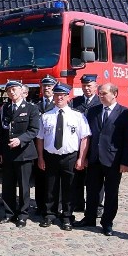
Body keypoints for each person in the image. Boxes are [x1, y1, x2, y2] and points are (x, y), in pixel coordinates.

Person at [74, 83, 128, 236]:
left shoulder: (125, 113)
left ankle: (107, 222)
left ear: (115, 94)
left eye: (104, 93)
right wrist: (85, 157)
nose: (101, 96)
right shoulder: (94, 111)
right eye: (100, 93)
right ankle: (89, 218)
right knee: (92, 190)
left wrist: (126, 162)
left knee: (111, 193)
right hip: (95, 159)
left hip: (113, 160)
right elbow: (88, 135)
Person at [36, 82, 90, 231]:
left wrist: (81, 158)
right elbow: (40, 138)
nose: (59, 98)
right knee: (50, 187)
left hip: (70, 156)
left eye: (62, 95)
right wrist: (40, 157)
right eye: (57, 95)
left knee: (69, 188)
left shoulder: (77, 116)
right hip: (50, 156)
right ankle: (49, 214)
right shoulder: (46, 116)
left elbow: (85, 138)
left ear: (68, 97)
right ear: (53, 97)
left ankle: (67, 216)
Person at [0, 81, 40, 228]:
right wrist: (0, 151)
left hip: (24, 153)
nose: (11, 93)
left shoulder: (31, 108)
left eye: (14, 90)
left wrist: (20, 140)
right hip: (8, 153)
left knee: (23, 185)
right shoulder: (5, 108)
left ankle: (22, 214)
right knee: (7, 185)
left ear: (22, 91)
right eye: (9, 91)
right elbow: (2, 132)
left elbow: (34, 130)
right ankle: (9, 213)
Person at [70, 74, 102, 213]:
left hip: (95, 145)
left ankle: (97, 205)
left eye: (89, 85)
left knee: (96, 179)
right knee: (77, 175)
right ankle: (78, 203)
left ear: (96, 86)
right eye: (84, 85)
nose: (87, 88)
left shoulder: (101, 102)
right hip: (78, 144)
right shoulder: (75, 102)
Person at [32, 74, 57, 217]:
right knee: (40, 177)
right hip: (39, 144)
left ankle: (53, 205)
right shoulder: (35, 104)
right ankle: (40, 205)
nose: (47, 88)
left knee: (53, 178)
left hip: (53, 144)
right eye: (45, 86)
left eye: (49, 86)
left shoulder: (58, 104)